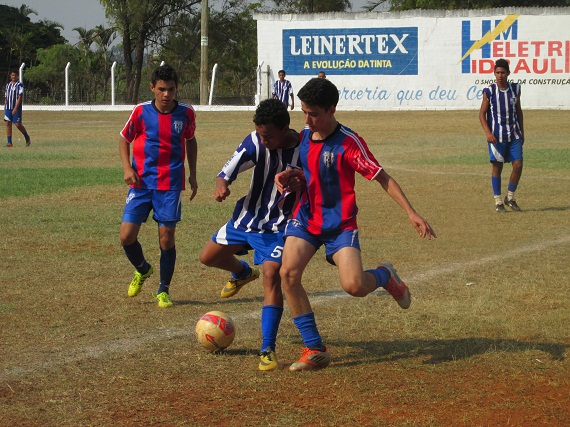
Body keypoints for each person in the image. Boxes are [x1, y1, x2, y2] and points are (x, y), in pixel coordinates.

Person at [274, 77, 436, 372]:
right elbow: (309, 172)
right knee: (288, 274)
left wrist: (411, 213)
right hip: (307, 219)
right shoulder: (305, 137)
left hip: (340, 224)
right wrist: (292, 176)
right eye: (304, 112)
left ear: (332, 109)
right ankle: (315, 349)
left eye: (314, 114)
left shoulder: (349, 143)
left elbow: (382, 178)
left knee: (354, 286)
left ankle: (385, 276)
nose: (307, 120)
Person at [199, 98, 302, 371]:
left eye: (268, 135)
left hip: (279, 228)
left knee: (272, 276)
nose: (263, 139)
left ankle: (267, 348)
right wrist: (222, 186)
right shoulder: (256, 142)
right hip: (245, 220)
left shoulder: (306, 148)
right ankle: (243, 272)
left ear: (285, 129)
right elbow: (227, 172)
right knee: (207, 257)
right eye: (259, 133)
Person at [119, 64, 198, 308]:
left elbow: (191, 140)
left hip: (170, 184)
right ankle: (142, 269)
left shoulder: (185, 113)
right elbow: (124, 138)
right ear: (152, 88)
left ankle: (163, 290)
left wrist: (193, 174)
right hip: (141, 183)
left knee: (166, 240)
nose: (166, 94)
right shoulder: (141, 112)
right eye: (161, 89)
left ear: (176, 90)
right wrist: (127, 168)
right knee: (126, 236)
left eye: (171, 90)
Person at [479, 58, 524, 213]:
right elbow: (481, 114)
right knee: (497, 167)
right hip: (497, 137)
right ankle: (498, 201)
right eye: (497, 72)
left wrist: (522, 132)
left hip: (514, 135)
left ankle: (510, 197)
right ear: (494, 73)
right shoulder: (489, 91)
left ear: (508, 73)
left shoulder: (516, 89)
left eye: (503, 72)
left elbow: (518, 111)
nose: (500, 75)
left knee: (518, 165)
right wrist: (488, 132)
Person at [4, 70, 31, 147]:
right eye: (12, 75)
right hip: (8, 107)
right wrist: (5, 107)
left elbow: (20, 97)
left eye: (15, 75)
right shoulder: (8, 85)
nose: (13, 77)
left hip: (16, 107)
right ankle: (9, 142)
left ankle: (27, 137)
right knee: (8, 123)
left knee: (18, 124)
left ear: (17, 76)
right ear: (10, 76)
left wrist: (15, 108)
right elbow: (6, 97)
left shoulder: (19, 85)